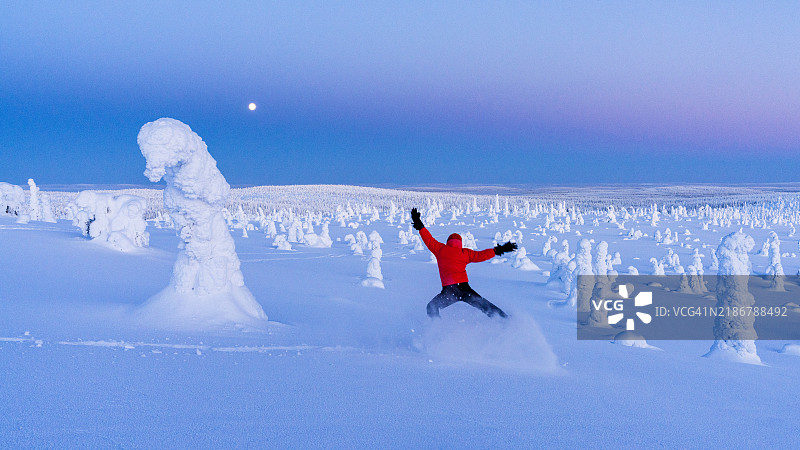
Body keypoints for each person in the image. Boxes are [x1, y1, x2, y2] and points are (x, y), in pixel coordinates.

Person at [411, 208, 517, 318]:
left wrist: (419, 224)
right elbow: (481, 255)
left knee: (431, 307)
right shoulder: (464, 253)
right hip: (464, 289)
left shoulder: (440, 249)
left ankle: (437, 328)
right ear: (460, 243)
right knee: (484, 306)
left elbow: (428, 239)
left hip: (449, 291)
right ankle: (505, 319)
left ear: (448, 242)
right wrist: (498, 250)